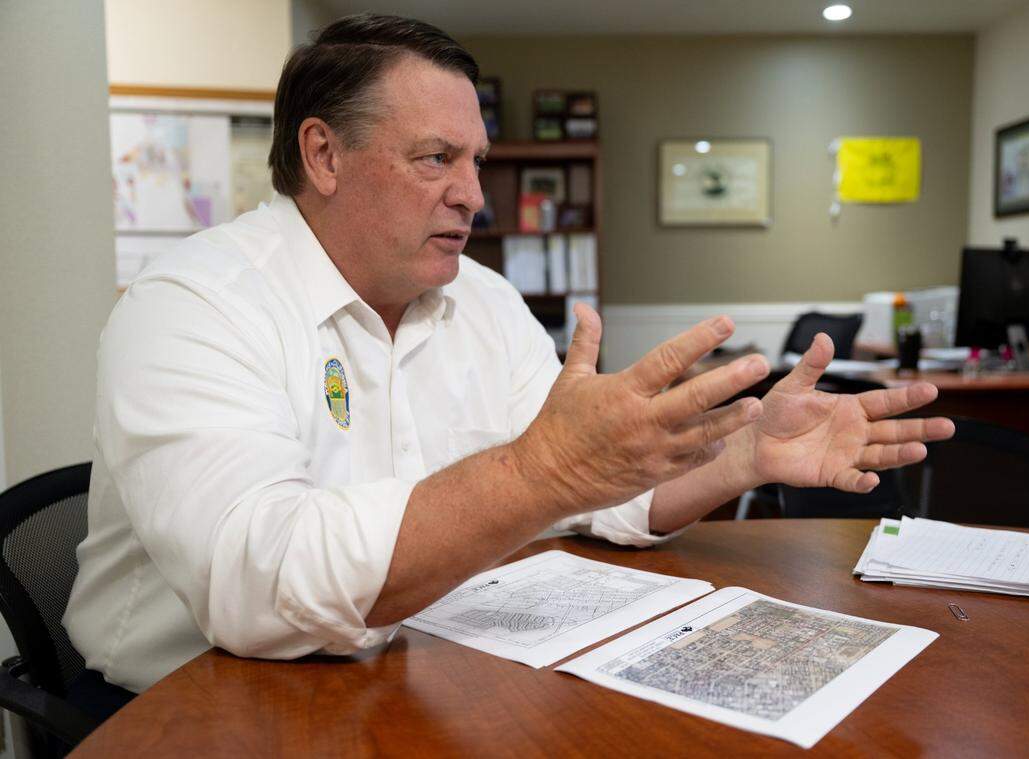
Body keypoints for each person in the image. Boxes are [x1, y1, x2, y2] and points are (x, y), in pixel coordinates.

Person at [64, 13, 953, 710]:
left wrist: (743, 454)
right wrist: (540, 471)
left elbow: (601, 487)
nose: (474, 196)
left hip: (416, 675)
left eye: (477, 162)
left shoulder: (482, 300)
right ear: (323, 154)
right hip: (190, 707)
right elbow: (260, 588)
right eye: (436, 159)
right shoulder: (192, 304)